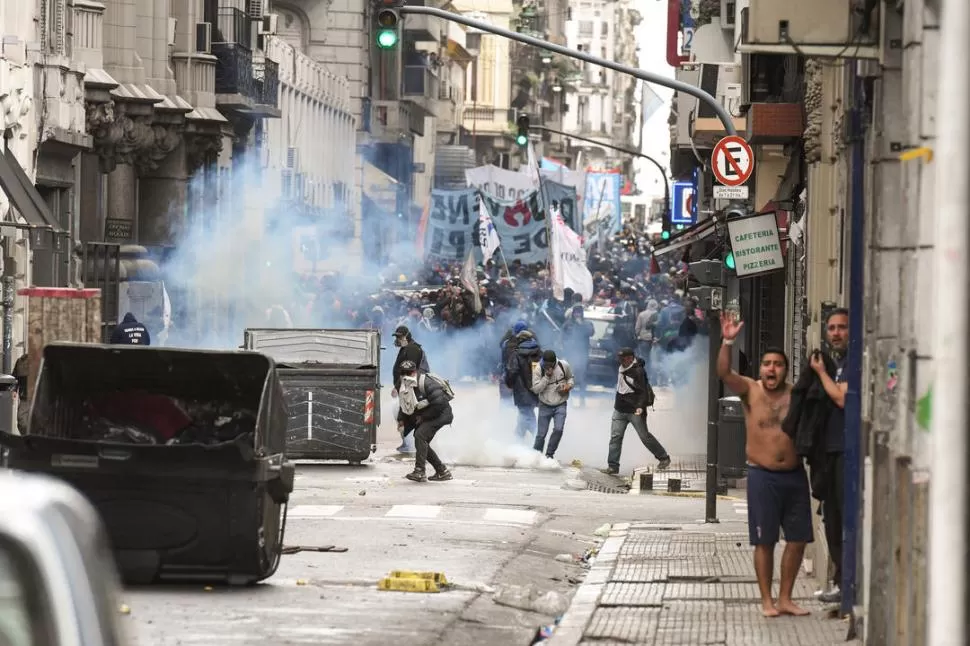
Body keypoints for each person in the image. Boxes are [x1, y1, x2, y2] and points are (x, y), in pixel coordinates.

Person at [717, 311, 812, 618]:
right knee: (765, 541)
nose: (772, 369)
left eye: (778, 364)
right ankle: (767, 601)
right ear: (761, 369)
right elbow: (723, 373)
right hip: (762, 477)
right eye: (768, 364)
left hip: (795, 476)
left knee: (797, 541)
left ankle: (786, 598)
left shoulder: (795, 394)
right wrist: (728, 340)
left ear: (786, 369)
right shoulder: (750, 390)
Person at [811, 307, 849, 603]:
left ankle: (847, 583)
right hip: (827, 454)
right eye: (832, 328)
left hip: (846, 453)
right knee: (831, 520)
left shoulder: (848, 364)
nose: (836, 333)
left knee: (845, 519)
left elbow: (841, 397)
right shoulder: (832, 363)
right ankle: (839, 581)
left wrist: (821, 373)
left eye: (842, 328)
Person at [605, 347, 671, 475]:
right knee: (615, 437)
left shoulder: (638, 371)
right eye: (619, 358)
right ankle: (613, 466)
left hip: (634, 410)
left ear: (630, 358)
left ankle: (663, 458)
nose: (620, 361)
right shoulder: (620, 367)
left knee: (644, 436)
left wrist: (640, 407)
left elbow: (643, 392)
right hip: (619, 409)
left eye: (623, 358)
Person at [398, 361, 453, 483]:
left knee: (420, 436)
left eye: (409, 372)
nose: (406, 375)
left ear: (415, 372)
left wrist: (423, 417)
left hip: (441, 414)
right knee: (421, 442)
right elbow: (404, 403)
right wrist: (401, 420)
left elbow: (439, 404)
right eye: (403, 373)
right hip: (428, 415)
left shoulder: (426, 382)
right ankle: (442, 471)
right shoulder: (404, 384)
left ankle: (419, 471)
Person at [390, 326, 430, 454]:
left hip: (412, 387)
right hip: (407, 386)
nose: (397, 339)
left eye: (399, 336)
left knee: (405, 413)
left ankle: (411, 444)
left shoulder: (412, 349)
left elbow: (409, 372)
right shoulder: (406, 348)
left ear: (407, 335)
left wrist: (397, 387)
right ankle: (408, 443)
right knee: (402, 412)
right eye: (396, 336)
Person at [531, 350, 574, 459]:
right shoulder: (538, 369)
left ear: (554, 362)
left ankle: (549, 454)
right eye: (546, 365)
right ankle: (536, 456)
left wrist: (568, 386)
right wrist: (546, 377)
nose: (548, 367)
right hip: (545, 404)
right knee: (541, 434)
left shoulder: (563, 365)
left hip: (560, 403)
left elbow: (570, 378)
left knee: (558, 429)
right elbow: (536, 389)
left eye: (550, 365)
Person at [504, 321, 542, 440]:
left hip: (521, 392)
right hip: (536, 390)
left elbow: (512, 372)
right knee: (525, 415)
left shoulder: (517, 354)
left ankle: (539, 439)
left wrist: (509, 383)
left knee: (527, 416)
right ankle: (517, 441)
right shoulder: (539, 353)